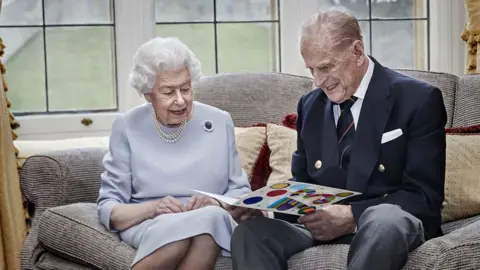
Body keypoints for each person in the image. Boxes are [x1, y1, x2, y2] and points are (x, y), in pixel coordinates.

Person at [230, 7, 447, 270]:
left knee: (384, 219)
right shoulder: (309, 105)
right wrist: (265, 209)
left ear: (356, 51)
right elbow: (304, 186)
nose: (319, 80)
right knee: (251, 233)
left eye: (325, 67)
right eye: (311, 69)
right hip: (318, 231)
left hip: (386, 228)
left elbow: (424, 198)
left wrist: (352, 216)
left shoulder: (418, 100)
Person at [96, 37, 257, 270]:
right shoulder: (127, 126)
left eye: (185, 88)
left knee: (209, 221)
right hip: (151, 222)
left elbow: (240, 191)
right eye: (168, 91)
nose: (180, 100)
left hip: (211, 219)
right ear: (147, 94)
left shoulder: (219, 121)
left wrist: (215, 202)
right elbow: (110, 209)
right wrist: (154, 207)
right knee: (182, 237)